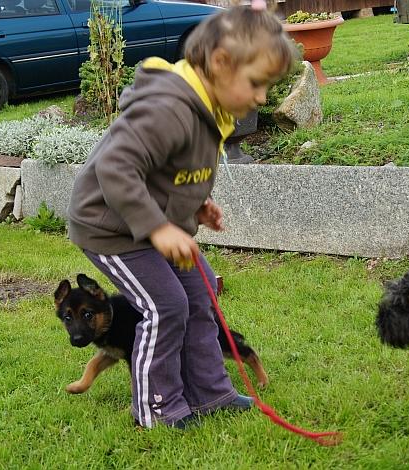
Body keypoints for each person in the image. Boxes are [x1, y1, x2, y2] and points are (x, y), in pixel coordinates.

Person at [67, 5, 295, 429]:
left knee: (200, 293)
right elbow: (116, 168)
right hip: (109, 227)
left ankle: (210, 392)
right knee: (166, 306)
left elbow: (174, 172)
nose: (262, 98)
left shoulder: (211, 111)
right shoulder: (167, 109)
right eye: (257, 83)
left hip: (151, 223)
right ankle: (156, 407)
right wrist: (158, 227)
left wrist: (197, 205)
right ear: (221, 63)